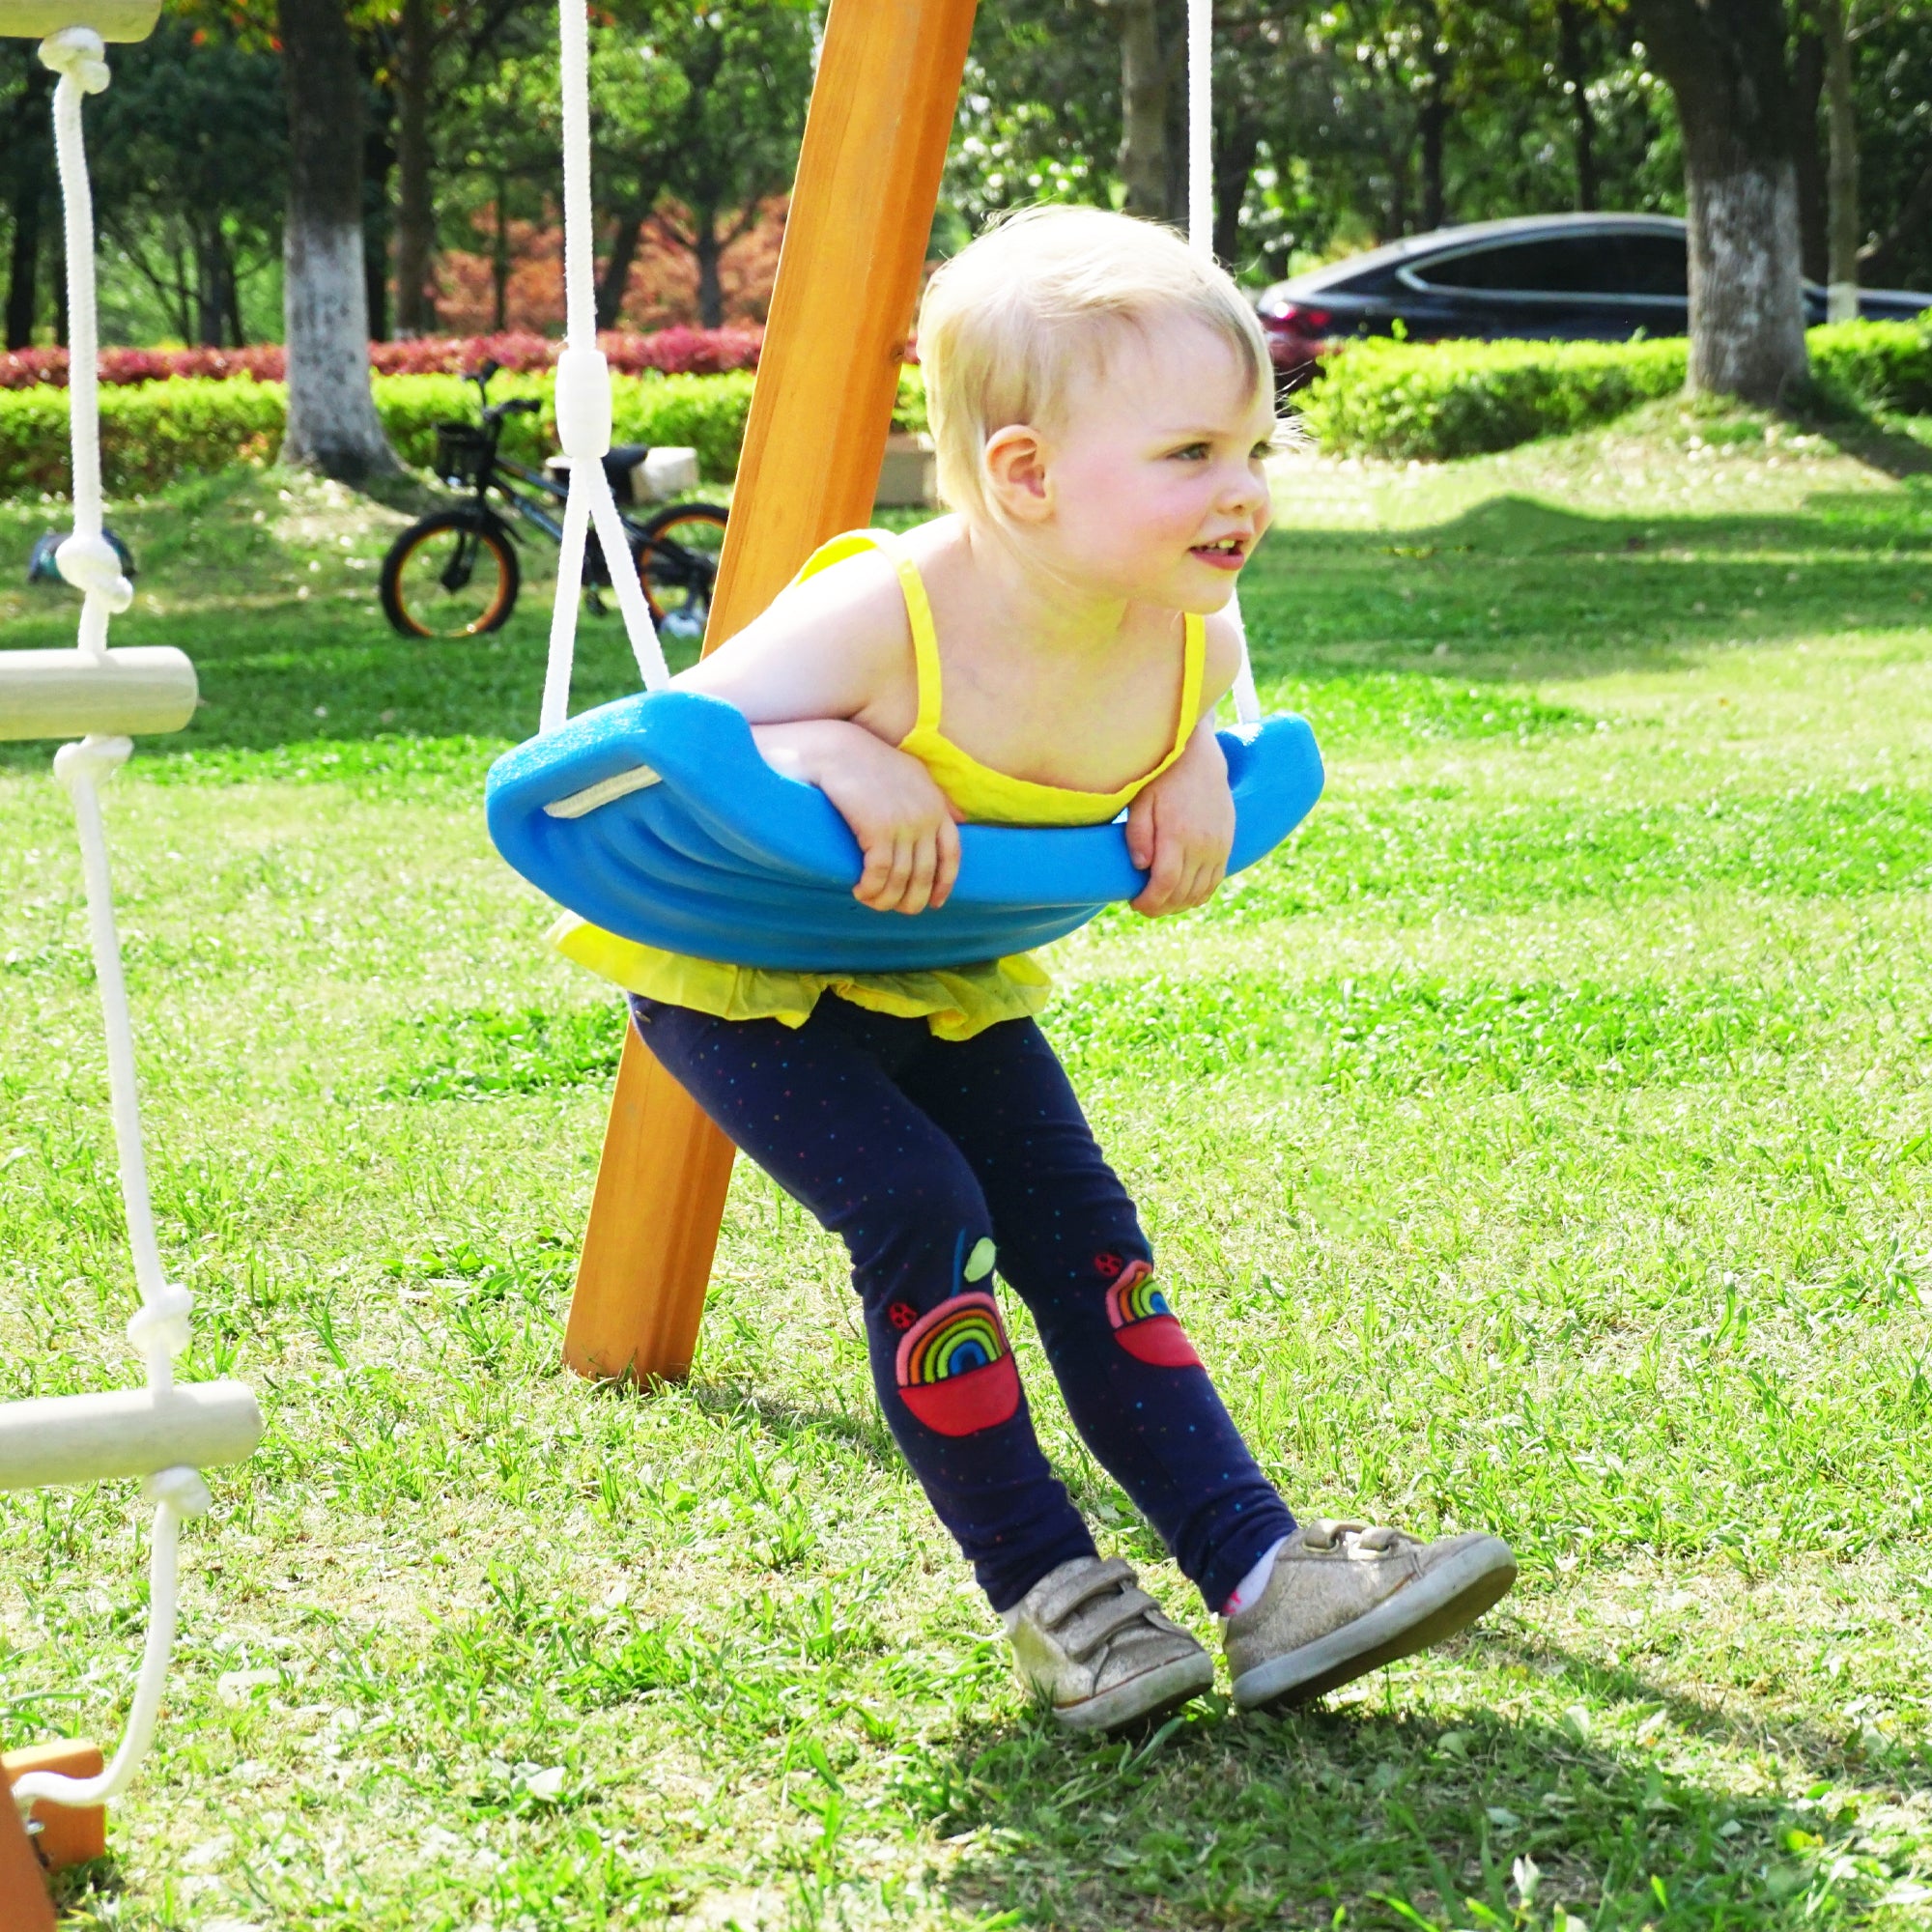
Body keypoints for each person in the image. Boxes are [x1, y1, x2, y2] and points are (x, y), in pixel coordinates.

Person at [552, 207, 1516, 1732]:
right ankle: (1054, 1600)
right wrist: (835, 757)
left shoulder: (1185, 633)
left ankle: (1265, 1576)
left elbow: (1179, 725)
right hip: (742, 975)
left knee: (1086, 1232)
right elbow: (691, 735)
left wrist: (1193, 762)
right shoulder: (892, 607)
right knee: (923, 1213)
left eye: (1257, 450)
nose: (1244, 491)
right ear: (1025, 476)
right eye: (1194, 454)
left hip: (945, 970)